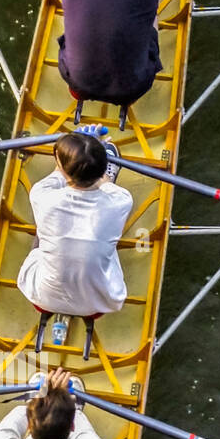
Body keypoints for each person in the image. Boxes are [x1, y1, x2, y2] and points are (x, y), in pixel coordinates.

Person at [17, 131, 133, 318]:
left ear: (62, 167)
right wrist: (91, 154)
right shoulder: (121, 200)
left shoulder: (41, 195)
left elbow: (59, 170)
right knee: (104, 240)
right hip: (96, 304)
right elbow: (104, 183)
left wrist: (74, 151)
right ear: (103, 169)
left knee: (46, 224)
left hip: (42, 297)